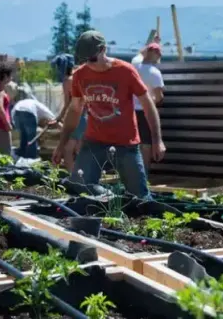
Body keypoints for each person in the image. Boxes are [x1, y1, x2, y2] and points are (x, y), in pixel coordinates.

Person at [52, 30, 166, 198]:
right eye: (85, 60)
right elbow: (75, 109)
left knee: (140, 198)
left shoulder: (126, 71)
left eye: (92, 59)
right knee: (79, 187)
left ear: (103, 50)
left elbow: (148, 105)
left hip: (125, 144)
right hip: (94, 142)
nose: (89, 64)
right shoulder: (80, 75)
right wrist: (61, 145)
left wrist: (157, 140)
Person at [134, 43, 165, 174]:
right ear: (156, 55)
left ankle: (132, 174)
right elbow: (158, 96)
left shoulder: (134, 67)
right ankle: (144, 175)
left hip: (131, 111)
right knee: (146, 145)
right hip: (146, 111)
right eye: (159, 54)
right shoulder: (155, 73)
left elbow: (139, 54)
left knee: (134, 144)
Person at [53, 56, 87, 172]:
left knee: (67, 150)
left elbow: (68, 103)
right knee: (79, 148)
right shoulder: (79, 77)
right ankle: (83, 175)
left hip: (76, 117)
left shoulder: (67, 81)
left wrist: (58, 118)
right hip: (85, 117)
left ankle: (74, 179)